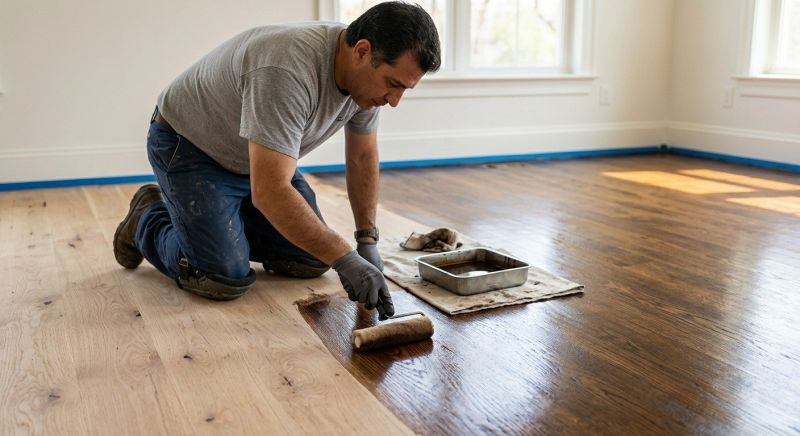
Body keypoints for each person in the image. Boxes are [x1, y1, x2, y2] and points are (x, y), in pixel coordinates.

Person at [112, 2, 441, 318]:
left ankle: (225, 220)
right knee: (220, 276)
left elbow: (362, 156)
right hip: (191, 149)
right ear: (362, 52)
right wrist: (345, 257)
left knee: (313, 260)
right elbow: (270, 191)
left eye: (405, 90)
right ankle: (147, 217)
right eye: (393, 85)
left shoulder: (366, 88)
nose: (395, 101)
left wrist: (366, 238)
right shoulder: (286, 69)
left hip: (257, 160)